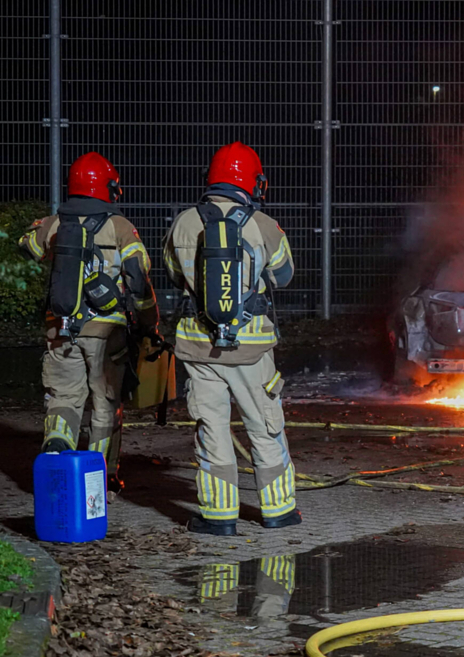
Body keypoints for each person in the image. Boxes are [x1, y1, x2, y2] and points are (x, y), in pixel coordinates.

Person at [163, 141, 299, 536]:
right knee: (264, 426)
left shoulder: (184, 221)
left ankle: (219, 517)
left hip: (198, 348)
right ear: (252, 181)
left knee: (212, 428)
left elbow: (173, 273)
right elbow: (283, 276)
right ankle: (279, 511)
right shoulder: (263, 225)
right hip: (251, 351)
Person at [19, 152, 159, 493]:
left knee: (63, 397)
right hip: (105, 333)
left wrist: (41, 229)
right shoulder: (121, 227)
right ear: (108, 189)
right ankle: (99, 479)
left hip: (60, 328)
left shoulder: (55, 223)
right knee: (105, 402)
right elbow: (138, 278)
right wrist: (148, 322)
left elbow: (27, 248)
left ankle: (56, 462)